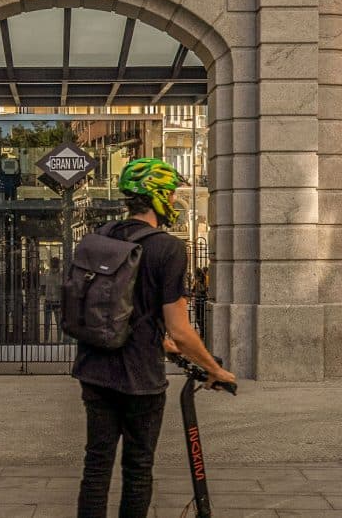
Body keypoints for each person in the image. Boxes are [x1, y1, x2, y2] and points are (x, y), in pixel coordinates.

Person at [73, 158, 235, 518]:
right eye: (171, 193)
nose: (175, 199)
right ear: (158, 196)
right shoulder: (167, 248)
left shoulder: (100, 236)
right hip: (139, 378)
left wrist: (158, 337)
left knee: (96, 465)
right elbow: (179, 326)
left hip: (94, 367)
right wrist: (214, 369)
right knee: (137, 467)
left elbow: (119, 303)